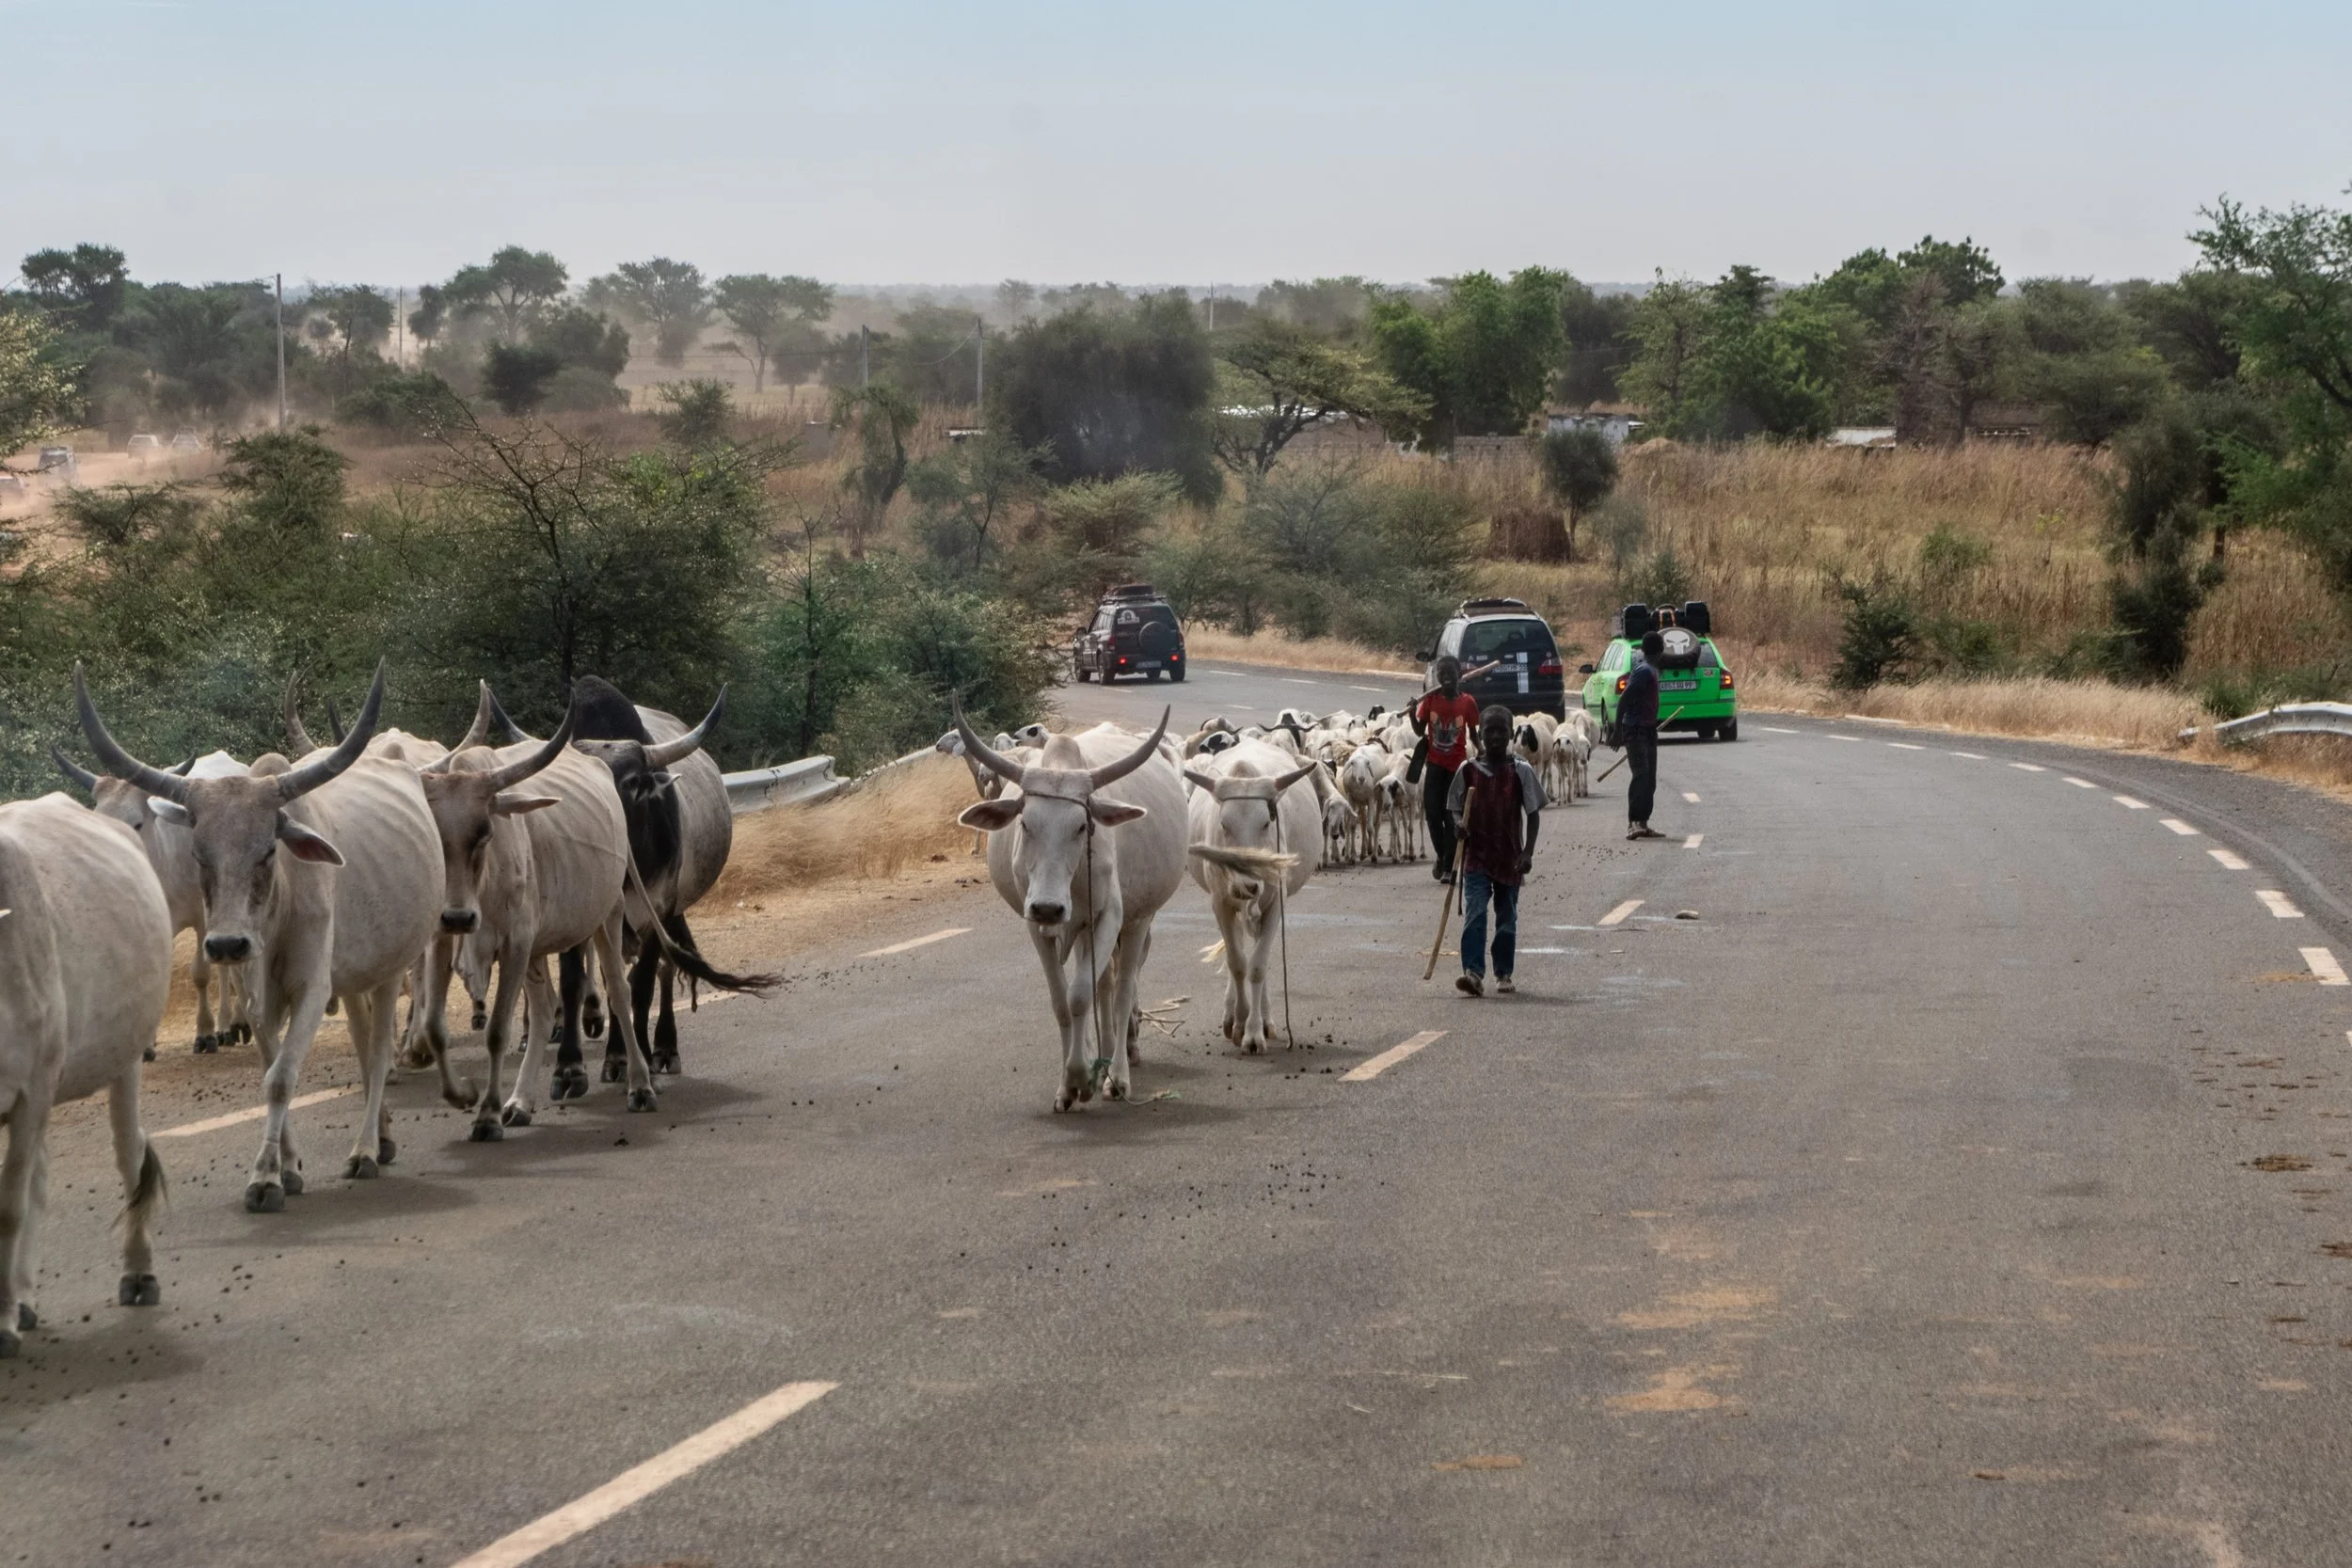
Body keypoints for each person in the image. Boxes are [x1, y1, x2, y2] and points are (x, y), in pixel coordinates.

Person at [1447, 705, 1545, 996]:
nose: (1496, 737)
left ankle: (1504, 972)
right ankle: (1473, 973)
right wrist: (1458, 825)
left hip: (1509, 857)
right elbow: (1454, 807)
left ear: (1511, 734)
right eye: (1490, 731)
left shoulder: (1520, 771)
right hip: (1476, 855)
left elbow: (1533, 814)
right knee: (1475, 913)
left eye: (1502, 731)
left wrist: (1528, 852)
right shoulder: (1467, 770)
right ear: (1480, 734)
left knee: (1507, 918)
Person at [1411, 656, 1482, 883]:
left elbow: (1474, 733)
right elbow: (1419, 730)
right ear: (1437, 677)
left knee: (1452, 818)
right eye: (1442, 673)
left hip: (1457, 769)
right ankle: (1442, 857)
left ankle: (1450, 866)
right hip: (1434, 766)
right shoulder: (1430, 700)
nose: (1447, 677)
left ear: (1460, 675)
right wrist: (1412, 712)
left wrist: (1482, 751)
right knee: (1433, 815)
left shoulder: (1467, 702)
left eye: (1451, 672)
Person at [1623, 629, 1665, 841]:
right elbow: (1625, 698)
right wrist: (1617, 731)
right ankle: (1633, 824)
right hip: (1636, 730)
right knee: (1640, 776)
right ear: (1661, 650)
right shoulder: (1644, 671)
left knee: (1650, 779)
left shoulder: (1652, 670)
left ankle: (1643, 823)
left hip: (1648, 731)